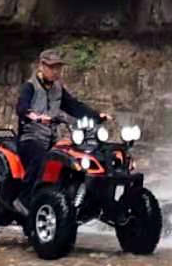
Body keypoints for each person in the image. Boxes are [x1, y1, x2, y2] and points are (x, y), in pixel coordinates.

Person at [15, 48, 105, 203]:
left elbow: (74, 106)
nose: (55, 71)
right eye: (51, 67)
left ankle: (66, 198)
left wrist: (96, 116)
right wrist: (36, 117)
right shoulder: (30, 86)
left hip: (52, 139)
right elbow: (21, 108)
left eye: (58, 67)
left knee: (71, 158)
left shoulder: (58, 89)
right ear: (41, 66)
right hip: (30, 138)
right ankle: (24, 200)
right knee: (40, 160)